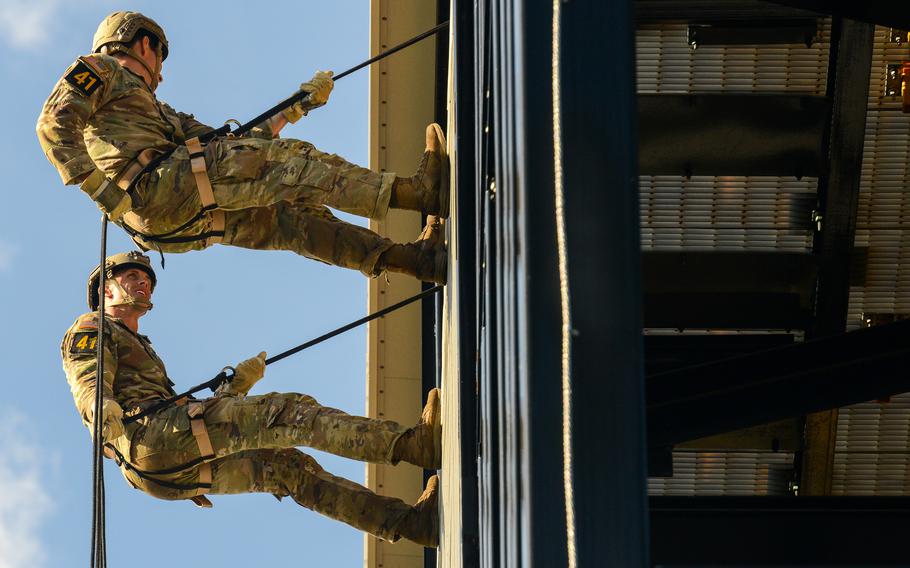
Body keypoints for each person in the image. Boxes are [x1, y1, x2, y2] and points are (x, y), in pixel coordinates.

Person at [61, 251, 442, 546]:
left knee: (290, 470)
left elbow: (199, 425)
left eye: (146, 279)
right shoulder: (92, 325)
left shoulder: (140, 345)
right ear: (106, 290)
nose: (143, 284)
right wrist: (97, 405)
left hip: (159, 468)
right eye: (132, 277)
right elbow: (88, 376)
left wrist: (236, 386)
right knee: (293, 414)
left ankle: (411, 525)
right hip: (153, 441)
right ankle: (413, 446)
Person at [38, 11, 448, 284]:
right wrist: (101, 190)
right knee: (292, 163)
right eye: (160, 55)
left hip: (173, 216)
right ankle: (418, 192)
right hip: (157, 189)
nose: (161, 71)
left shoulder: (160, 114)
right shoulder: (102, 69)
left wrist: (297, 106)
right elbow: (52, 125)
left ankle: (416, 262)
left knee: (291, 220)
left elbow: (233, 147)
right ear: (144, 44)